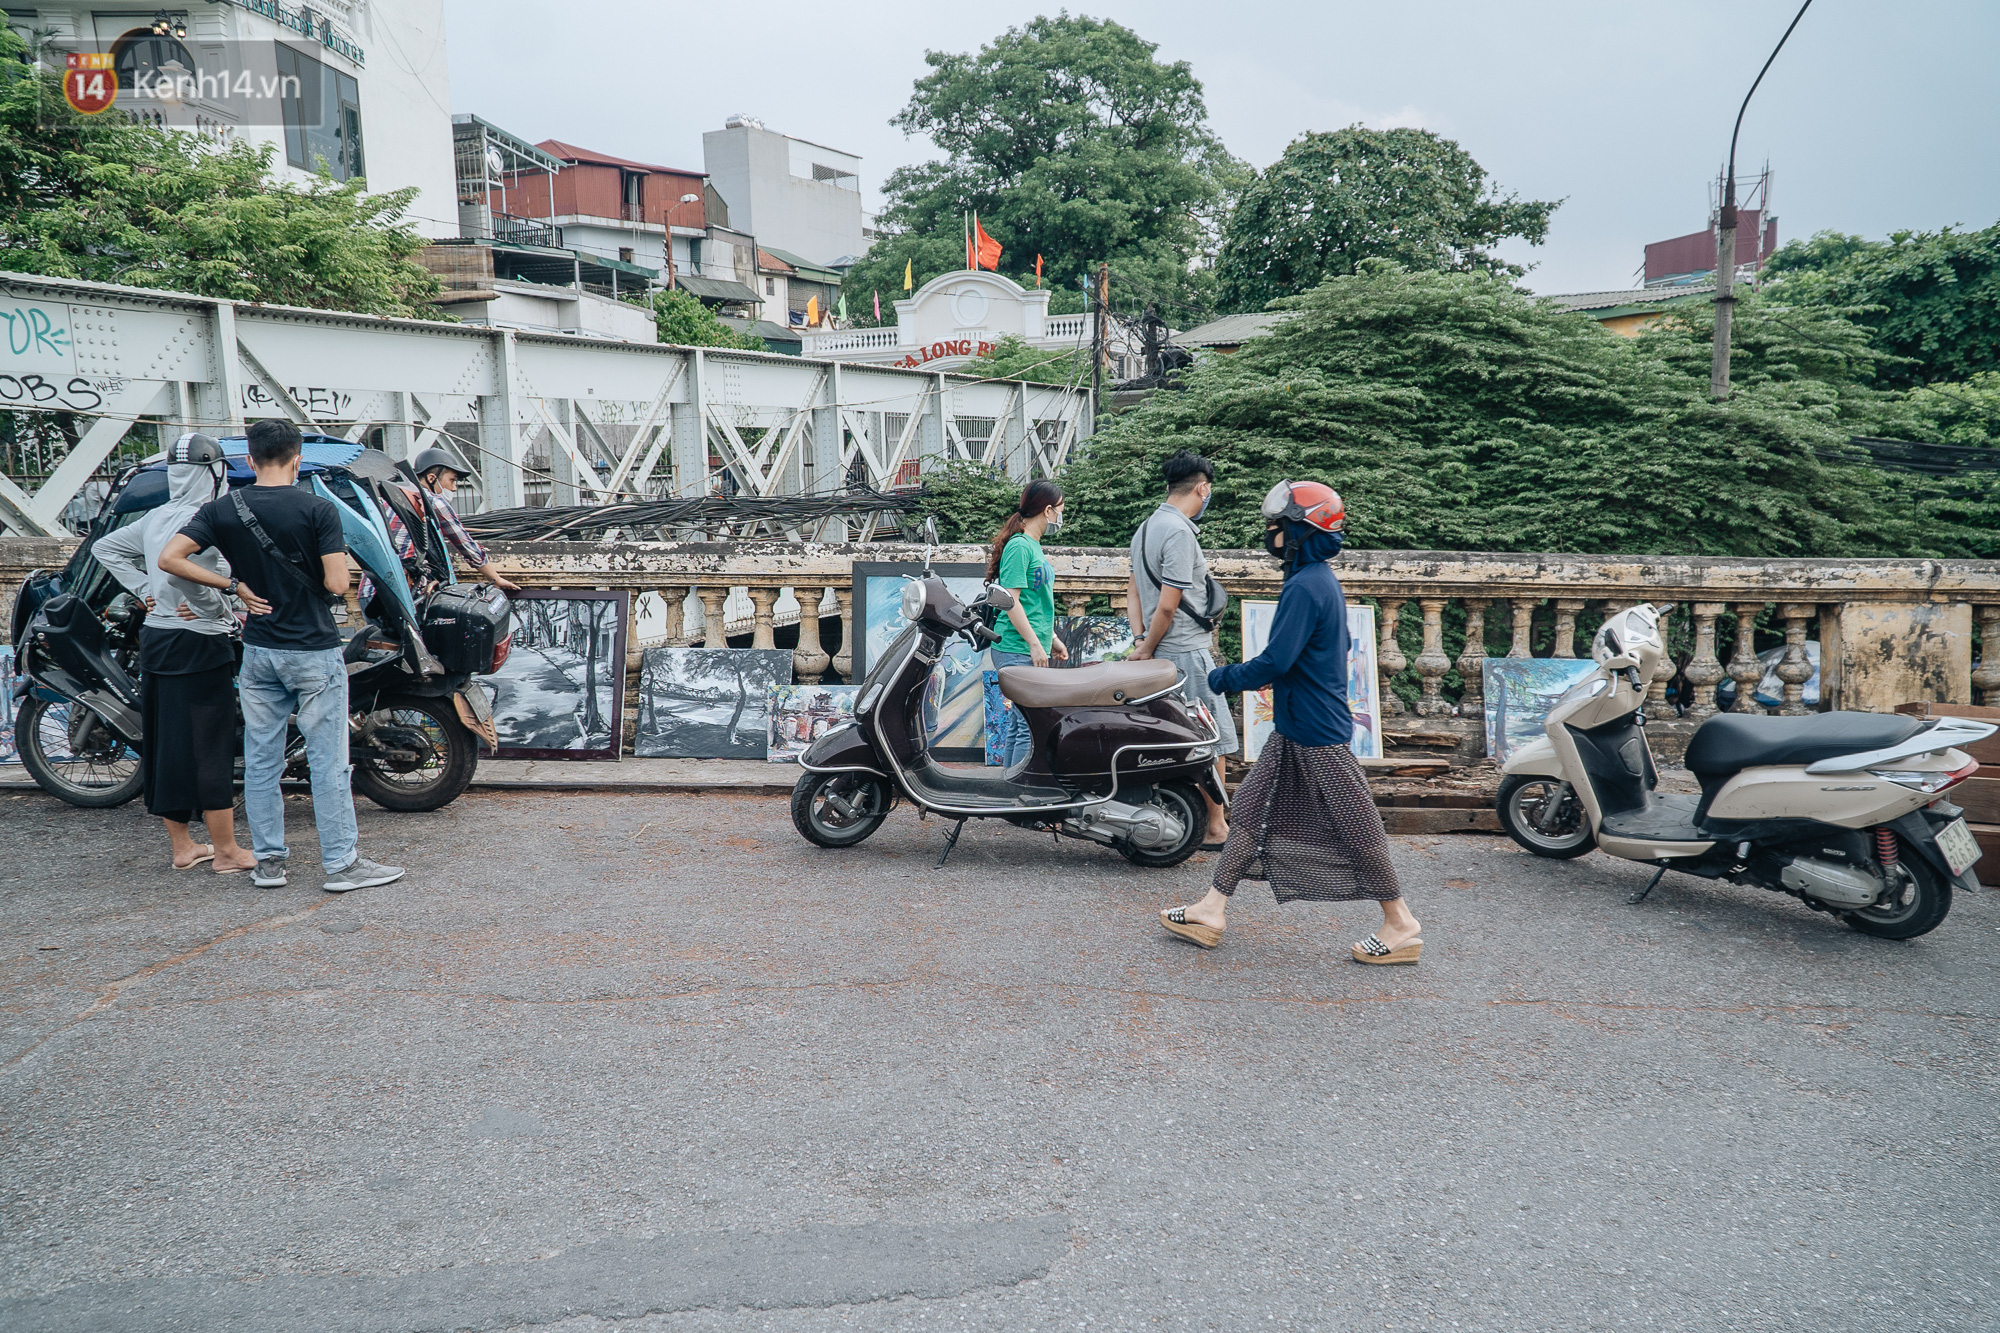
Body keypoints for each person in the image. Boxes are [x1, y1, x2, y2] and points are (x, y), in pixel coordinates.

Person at [1159, 480, 1423, 966]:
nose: (1270, 534)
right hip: (1297, 726)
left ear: (1300, 532)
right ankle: (1212, 909)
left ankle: (1400, 922)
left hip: (1317, 731)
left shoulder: (1306, 585)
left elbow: (1276, 661)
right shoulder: (1316, 580)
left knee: (1356, 825)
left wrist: (1221, 678)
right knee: (1252, 810)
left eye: (1277, 526)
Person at [159, 419, 405, 894]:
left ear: (249, 460)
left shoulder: (223, 508)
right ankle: (340, 864)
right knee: (328, 762)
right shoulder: (317, 509)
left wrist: (234, 586)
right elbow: (336, 585)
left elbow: (171, 559)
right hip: (313, 652)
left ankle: (270, 863)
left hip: (261, 652)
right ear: (297, 459)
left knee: (262, 759)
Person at [92, 433, 256, 874]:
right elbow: (189, 578)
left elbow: (103, 547)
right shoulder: (212, 518)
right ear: (214, 471)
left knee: (167, 743)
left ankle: (183, 847)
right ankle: (226, 852)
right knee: (210, 746)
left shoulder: (156, 516)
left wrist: (146, 589)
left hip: (158, 639)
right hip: (199, 642)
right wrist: (217, 605)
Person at [1127, 450, 1237, 847]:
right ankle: (1216, 826)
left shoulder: (1145, 528)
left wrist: (1141, 641)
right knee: (1213, 740)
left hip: (1158, 650)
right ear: (1202, 487)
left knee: (1171, 739)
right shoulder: (1179, 532)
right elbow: (1170, 604)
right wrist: (1149, 646)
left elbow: (1133, 591)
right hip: (1186, 652)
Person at [985, 479, 1068, 769]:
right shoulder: (1020, 547)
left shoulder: (1032, 545)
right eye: (1060, 509)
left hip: (1027, 644)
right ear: (1047, 510)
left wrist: (1052, 639)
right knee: (1030, 728)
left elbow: (1035, 603)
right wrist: (1035, 644)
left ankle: (1009, 790)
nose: (1061, 516)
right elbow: (1010, 601)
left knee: (1021, 725)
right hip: (1016, 647)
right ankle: (1021, 795)